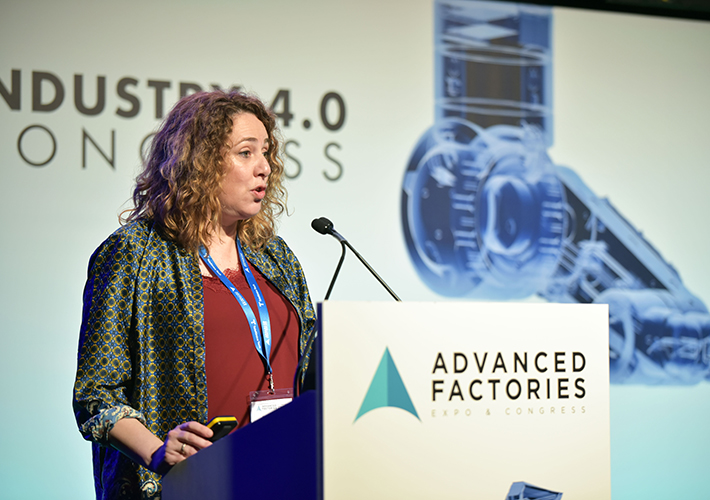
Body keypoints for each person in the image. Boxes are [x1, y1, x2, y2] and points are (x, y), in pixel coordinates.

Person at [73, 90, 316, 499]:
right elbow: (96, 395)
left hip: (285, 474)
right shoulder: (132, 254)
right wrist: (157, 452)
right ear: (200, 162)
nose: (265, 168)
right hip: (190, 485)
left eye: (267, 152)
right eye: (245, 153)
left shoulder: (275, 257)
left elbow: (310, 365)